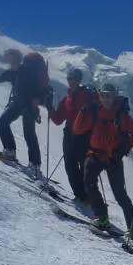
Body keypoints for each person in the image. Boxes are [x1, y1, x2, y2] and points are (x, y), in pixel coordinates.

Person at [72, 83, 133, 233]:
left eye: (109, 95)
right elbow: (77, 129)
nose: (106, 98)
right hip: (95, 153)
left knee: (119, 194)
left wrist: (123, 150)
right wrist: (82, 113)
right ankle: (102, 216)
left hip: (113, 157)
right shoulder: (95, 111)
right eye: (103, 95)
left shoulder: (121, 115)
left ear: (115, 95)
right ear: (99, 95)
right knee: (88, 182)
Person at [0, 49, 49, 176]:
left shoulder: (27, 72)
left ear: (16, 58)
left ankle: (35, 164)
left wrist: (37, 101)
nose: (7, 59)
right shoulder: (12, 72)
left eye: (8, 57)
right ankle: (10, 151)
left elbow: (43, 90)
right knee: (2, 124)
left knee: (28, 134)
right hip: (18, 104)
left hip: (28, 105)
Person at [46, 68, 93, 202]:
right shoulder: (66, 100)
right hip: (70, 135)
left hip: (85, 135)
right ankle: (82, 196)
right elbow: (58, 119)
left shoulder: (88, 95)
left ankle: (87, 196)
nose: (72, 81)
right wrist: (49, 106)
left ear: (79, 80)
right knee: (71, 166)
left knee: (83, 167)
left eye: (74, 78)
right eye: (69, 78)